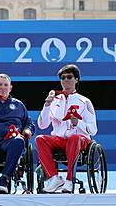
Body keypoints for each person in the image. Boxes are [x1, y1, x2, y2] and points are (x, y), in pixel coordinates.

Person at [36, 64, 97, 193]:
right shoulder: (53, 100)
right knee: (40, 139)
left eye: (69, 77)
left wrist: (78, 122)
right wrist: (46, 105)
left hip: (80, 140)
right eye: (63, 78)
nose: (65, 80)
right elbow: (42, 125)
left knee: (74, 138)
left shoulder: (84, 101)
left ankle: (70, 180)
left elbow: (93, 130)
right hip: (59, 139)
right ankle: (54, 177)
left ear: (76, 79)